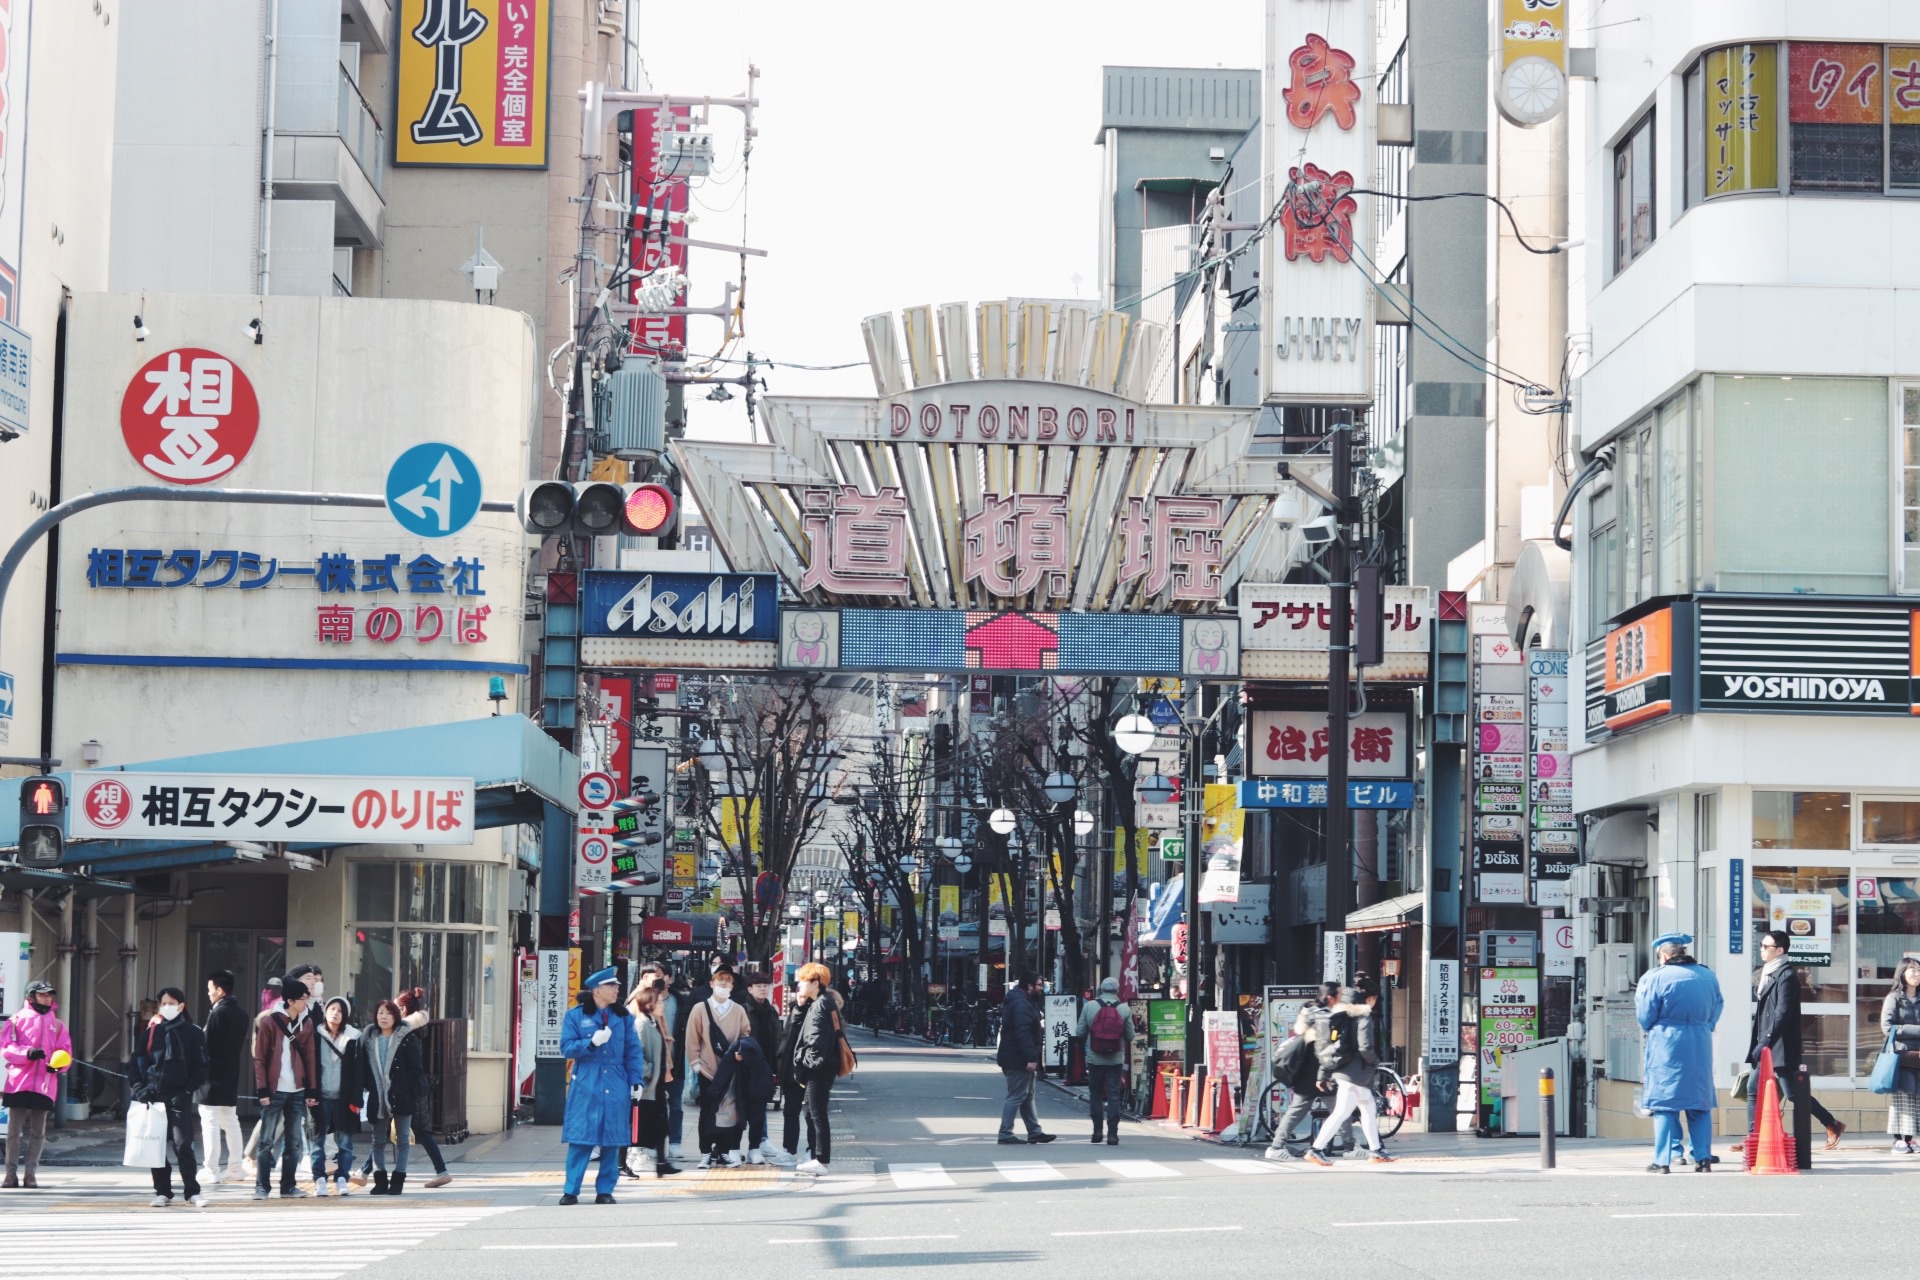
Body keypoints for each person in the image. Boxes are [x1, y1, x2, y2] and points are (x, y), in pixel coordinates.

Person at [1746, 928, 1846, 1151]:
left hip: (1779, 1045)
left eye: (1766, 947)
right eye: (1761, 945)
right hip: (1766, 1043)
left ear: (1779, 950)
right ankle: (1753, 1138)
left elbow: (1782, 1013)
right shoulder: (1766, 973)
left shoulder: (1787, 976)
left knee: (1793, 1094)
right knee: (1753, 1089)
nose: (1761, 950)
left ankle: (1832, 1123)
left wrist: (1766, 1042)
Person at [1636, 933, 1723, 1174]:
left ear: (1664, 955)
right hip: (1700, 1041)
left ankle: (1663, 1161)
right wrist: (1704, 1025)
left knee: (1665, 1103)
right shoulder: (1707, 975)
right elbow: (1718, 1005)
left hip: (1667, 1041)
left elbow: (1645, 1015)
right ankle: (1703, 1158)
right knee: (1699, 1103)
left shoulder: (1655, 977)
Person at [560, 968, 645, 1204]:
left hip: (616, 1079)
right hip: (587, 1079)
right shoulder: (576, 1016)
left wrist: (636, 1080)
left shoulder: (624, 1017)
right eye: (612, 986)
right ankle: (571, 1191)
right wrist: (590, 1042)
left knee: (612, 1138)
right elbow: (566, 1047)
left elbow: (633, 1051)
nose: (617, 990)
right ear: (597, 990)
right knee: (581, 1138)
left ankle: (605, 1190)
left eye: (617, 986)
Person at [132, 987, 211, 1207]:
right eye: (163, 1003)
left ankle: (192, 1191)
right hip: (153, 1098)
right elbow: (136, 1064)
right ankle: (162, 1191)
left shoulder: (193, 1033)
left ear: (181, 1006)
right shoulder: (150, 1032)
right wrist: (141, 1089)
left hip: (180, 1098)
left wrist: (187, 1091)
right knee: (155, 1147)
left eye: (172, 1003)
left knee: (183, 1144)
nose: (167, 1007)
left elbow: (202, 1067)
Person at [1304, 986, 1394, 1166]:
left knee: (1368, 1109)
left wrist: (1323, 1074)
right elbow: (1365, 1047)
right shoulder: (1362, 1017)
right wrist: (1375, 1061)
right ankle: (1316, 1150)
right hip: (1356, 1074)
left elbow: (1327, 1049)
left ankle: (1376, 1151)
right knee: (1342, 1112)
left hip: (1344, 1071)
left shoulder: (1339, 1019)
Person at [251, 976, 317, 1200]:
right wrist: (262, 1090)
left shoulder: (306, 1022)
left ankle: (288, 1186)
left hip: (297, 1090)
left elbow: (310, 1058)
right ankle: (262, 1187)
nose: (305, 1003)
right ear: (290, 1001)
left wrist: (312, 1090)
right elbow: (259, 1058)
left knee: (294, 1142)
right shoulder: (270, 1022)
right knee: (266, 1141)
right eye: (302, 999)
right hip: (274, 1089)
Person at [1, 980, 71, 1190]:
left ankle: (30, 1173)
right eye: (42, 995)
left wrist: (58, 1067)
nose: (46, 998)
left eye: (49, 995)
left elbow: (65, 1051)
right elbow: (6, 1047)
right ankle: (10, 1174)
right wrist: (28, 1053)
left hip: (45, 1083)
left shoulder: (58, 1025)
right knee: (14, 1130)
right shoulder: (15, 1020)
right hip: (19, 1081)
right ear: (31, 996)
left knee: (38, 1131)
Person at [685, 959, 754, 1168]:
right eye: (720, 982)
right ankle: (706, 1152)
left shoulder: (738, 1010)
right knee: (707, 1110)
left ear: (732, 987)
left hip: (731, 1068)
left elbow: (746, 1034)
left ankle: (724, 1151)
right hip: (707, 1068)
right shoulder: (700, 1008)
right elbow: (692, 1037)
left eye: (728, 983)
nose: (724, 986)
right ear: (712, 984)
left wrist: (741, 1053)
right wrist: (695, 1062)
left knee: (731, 1110)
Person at [1263, 982, 1340, 1162]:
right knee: (1338, 1110)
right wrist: (1325, 1072)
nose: (1341, 998)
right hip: (1315, 1072)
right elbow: (1324, 1049)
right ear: (1330, 997)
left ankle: (1277, 1146)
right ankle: (1276, 1146)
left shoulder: (1310, 1012)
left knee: (1332, 1110)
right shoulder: (1323, 1016)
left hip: (1307, 1070)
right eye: (1339, 994)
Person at [364, 999, 425, 1195]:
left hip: (402, 1094)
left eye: (388, 1013)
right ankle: (380, 1179)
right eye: (380, 1012)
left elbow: (415, 1068)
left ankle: (398, 1179)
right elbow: (363, 1069)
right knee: (378, 1141)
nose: (383, 1017)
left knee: (403, 1140)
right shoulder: (369, 1038)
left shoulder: (405, 1037)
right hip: (377, 1095)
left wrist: (410, 1090)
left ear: (395, 1016)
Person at [393, 988, 453, 1187]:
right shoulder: (416, 1029)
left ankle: (442, 1171)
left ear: (402, 1009)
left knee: (420, 1130)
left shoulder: (406, 1030)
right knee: (408, 1130)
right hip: (415, 1086)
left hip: (410, 1088)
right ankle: (441, 1170)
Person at [790, 963, 844, 1175]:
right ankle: (819, 1158)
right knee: (813, 1113)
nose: (799, 985)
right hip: (823, 1066)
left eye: (803, 981)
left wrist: (808, 1063)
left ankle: (821, 1160)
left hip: (819, 1068)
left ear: (815, 983)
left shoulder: (821, 1005)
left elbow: (817, 1040)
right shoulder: (822, 1002)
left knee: (817, 1113)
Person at [625, 967, 678, 1178]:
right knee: (643, 1123)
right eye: (659, 1002)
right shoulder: (641, 1025)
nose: (663, 1005)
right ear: (649, 1004)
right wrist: (650, 1072)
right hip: (646, 1084)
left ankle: (660, 1162)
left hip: (655, 1083)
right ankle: (635, 1158)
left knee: (660, 1123)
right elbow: (637, 1056)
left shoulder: (653, 1023)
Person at [198, 970, 248, 1186]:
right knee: (230, 1121)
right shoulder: (241, 1013)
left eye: (210, 990)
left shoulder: (218, 1013)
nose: (208, 994)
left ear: (220, 990)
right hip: (231, 1074)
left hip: (211, 1077)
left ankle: (211, 1169)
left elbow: (206, 1046)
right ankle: (236, 1167)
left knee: (210, 1122)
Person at [311, 996, 365, 1195]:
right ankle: (319, 1179)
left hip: (344, 1097)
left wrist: (356, 1098)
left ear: (346, 1015)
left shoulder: (354, 1037)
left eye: (340, 1010)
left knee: (345, 1142)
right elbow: (310, 1066)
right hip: (321, 1095)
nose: (335, 1013)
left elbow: (359, 1071)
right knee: (317, 1140)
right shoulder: (316, 1034)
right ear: (325, 1012)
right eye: (332, 1008)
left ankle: (342, 1177)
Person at [995, 969, 1055, 1146]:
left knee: (1026, 1095)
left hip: (1015, 1055)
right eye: (1038, 985)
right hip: (1017, 1057)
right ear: (1029, 986)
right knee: (1016, 1095)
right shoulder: (1022, 1004)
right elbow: (1023, 1033)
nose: (1041, 989)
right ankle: (1005, 1132)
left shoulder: (1021, 1001)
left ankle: (1034, 1131)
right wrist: (1031, 1057)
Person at [740, 965, 788, 1165]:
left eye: (765, 986)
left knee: (761, 1107)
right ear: (749, 989)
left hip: (766, 1066)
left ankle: (759, 1142)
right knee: (741, 1106)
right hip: (745, 1066)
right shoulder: (742, 1009)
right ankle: (731, 1146)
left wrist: (778, 1066)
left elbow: (777, 1039)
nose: (763, 989)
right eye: (758, 986)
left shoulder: (771, 1011)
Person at [1074, 976, 1129, 1145]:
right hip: (1115, 1059)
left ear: (1101, 990)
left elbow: (1079, 1032)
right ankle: (1113, 1133)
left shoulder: (1090, 1006)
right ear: (1117, 991)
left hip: (1094, 1058)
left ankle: (1097, 1131)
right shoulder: (1124, 1009)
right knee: (1113, 1094)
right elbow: (1131, 1035)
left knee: (1095, 1093)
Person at [1880, 956, 1920, 1153]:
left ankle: (1911, 1138)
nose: (1917, 974)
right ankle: (1898, 1139)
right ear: (1902, 973)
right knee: (1902, 1096)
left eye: (1919, 970)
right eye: (1913, 970)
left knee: (1916, 1097)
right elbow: (1888, 1027)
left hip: (1919, 1056)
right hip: (1901, 1055)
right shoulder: (1894, 998)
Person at [664, 970, 690, 1161]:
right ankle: (647, 1144)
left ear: (669, 978)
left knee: (675, 1105)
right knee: (649, 1107)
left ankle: (675, 1143)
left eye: (661, 974)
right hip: (650, 1065)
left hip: (676, 1061)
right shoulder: (639, 1001)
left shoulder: (679, 1001)